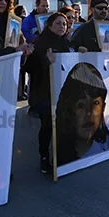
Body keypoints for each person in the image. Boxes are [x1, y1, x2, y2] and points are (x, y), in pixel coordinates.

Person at [24, 12, 73, 174]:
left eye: (64, 24)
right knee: (47, 126)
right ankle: (44, 157)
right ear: (50, 25)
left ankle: (60, 155)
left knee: (62, 124)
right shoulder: (39, 43)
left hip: (63, 91)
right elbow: (28, 69)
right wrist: (46, 61)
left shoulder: (66, 43)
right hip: (44, 91)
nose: (62, 27)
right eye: (58, 23)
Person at [55, 62, 109, 165]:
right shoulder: (59, 154)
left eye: (95, 103)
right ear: (68, 111)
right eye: (81, 105)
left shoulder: (107, 145)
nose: (89, 113)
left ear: (103, 108)